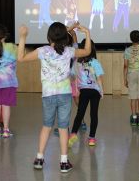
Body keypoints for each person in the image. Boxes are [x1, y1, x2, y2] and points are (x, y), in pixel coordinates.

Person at [17, 22, 91, 173]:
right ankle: (64, 162)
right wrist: (87, 33)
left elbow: (21, 58)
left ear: (48, 36)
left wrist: (23, 37)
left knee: (46, 126)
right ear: (65, 37)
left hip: (48, 95)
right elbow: (87, 51)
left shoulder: (42, 51)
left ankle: (39, 158)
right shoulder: (69, 51)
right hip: (64, 94)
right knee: (63, 128)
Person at [68, 39, 104, 147]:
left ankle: (73, 134)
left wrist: (77, 89)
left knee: (80, 112)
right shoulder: (95, 62)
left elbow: (73, 77)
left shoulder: (77, 62)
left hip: (83, 90)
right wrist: (101, 91)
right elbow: (99, 78)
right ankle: (92, 138)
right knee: (94, 114)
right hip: (95, 91)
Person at [124, 30, 139, 126]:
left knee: (133, 97)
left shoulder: (127, 50)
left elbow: (125, 66)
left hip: (131, 74)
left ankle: (134, 118)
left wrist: (124, 78)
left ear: (131, 39)